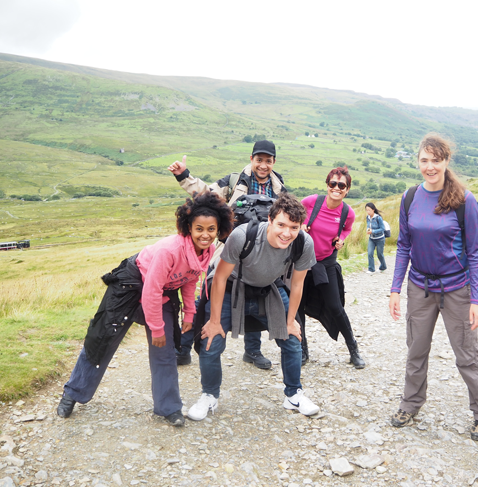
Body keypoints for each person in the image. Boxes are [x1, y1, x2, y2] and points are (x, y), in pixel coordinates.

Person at [57, 193, 233, 426]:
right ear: (188, 228)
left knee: (166, 350)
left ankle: (169, 407)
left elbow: (190, 279)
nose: (205, 234)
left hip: (164, 291)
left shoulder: (208, 251)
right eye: (199, 228)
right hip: (130, 285)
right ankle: (73, 393)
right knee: (102, 339)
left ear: (219, 229)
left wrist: (189, 314)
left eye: (211, 229)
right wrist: (157, 328)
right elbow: (151, 290)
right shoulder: (169, 250)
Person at [389, 132, 478, 441]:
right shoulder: (409, 197)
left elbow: (475, 252)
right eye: (424, 160)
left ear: (447, 161)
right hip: (419, 288)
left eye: (436, 160)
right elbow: (404, 246)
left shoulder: (464, 200)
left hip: (457, 289)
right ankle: (410, 404)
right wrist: (395, 289)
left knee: (467, 354)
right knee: (416, 350)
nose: (430, 167)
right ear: (418, 161)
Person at [187, 193, 320, 420]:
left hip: (268, 288)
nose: (287, 233)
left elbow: (297, 285)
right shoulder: (242, 236)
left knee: (293, 338)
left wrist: (290, 322)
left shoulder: (303, 243)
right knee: (210, 340)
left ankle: (294, 394)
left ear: (301, 226)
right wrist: (215, 321)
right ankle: (209, 395)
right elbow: (219, 279)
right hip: (230, 287)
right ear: (270, 219)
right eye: (281, 225)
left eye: (294, 227)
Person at [168, 140, 286, 370]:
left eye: (268, 161)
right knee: (207, 296)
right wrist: (184, 176)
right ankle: (183, 348)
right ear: (251, 159)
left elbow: (288, 214)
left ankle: (252, 351)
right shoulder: (234, 181)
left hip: (263, 253)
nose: (263, 165)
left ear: (273, 162)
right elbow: (205, 194)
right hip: (230, 248)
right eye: (259, 160)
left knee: (258, 297)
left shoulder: (279, 187)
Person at [298, 167, 365, 369]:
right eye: (332, 183)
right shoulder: (312, 202)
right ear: (327, 185)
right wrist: (300, 226)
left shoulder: (347, 212)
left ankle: (353, 349)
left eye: (341, 185)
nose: (336, 188)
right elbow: (295, 216)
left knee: (336, 307)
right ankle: (302, 351)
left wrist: (341, 240)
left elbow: (346, 229)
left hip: (326, 263)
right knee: (297, 307)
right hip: (302, 262)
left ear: (347, 190)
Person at [365, 202, 387, 274]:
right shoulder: (367, 217)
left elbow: (382, 229)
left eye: (369, 210)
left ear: (373, 209)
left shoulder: (378, 218)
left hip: (380, 239)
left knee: (379, 254)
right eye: (366, 210)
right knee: (370, 253)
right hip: (371, 239)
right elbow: (368, 226)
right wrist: (368, 230)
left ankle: (383, 267)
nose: (368, 212)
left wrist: (373, 231)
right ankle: (371, 269)